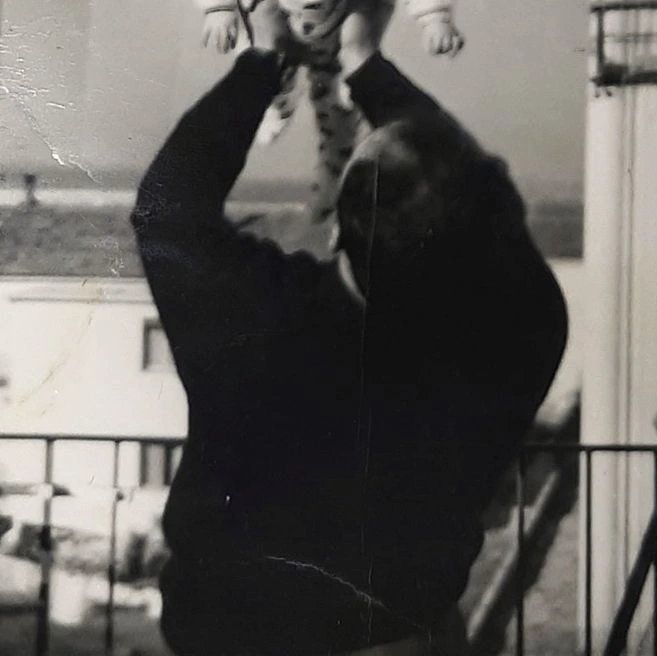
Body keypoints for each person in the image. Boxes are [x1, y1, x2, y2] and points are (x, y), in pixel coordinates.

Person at [130, 32, 567, 656]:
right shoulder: (521, 330)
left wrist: (266, 60)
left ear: (337, 232)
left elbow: (168, 206)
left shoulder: (261, 321)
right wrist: (366, 63)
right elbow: (487, 208)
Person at [196, 0, 464, 223]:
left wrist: (435, 16)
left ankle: (327, 201)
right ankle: (278, 92)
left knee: (339, 114)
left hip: (348, 20)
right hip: (280, 17)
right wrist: (219, 8)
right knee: (263, 52)